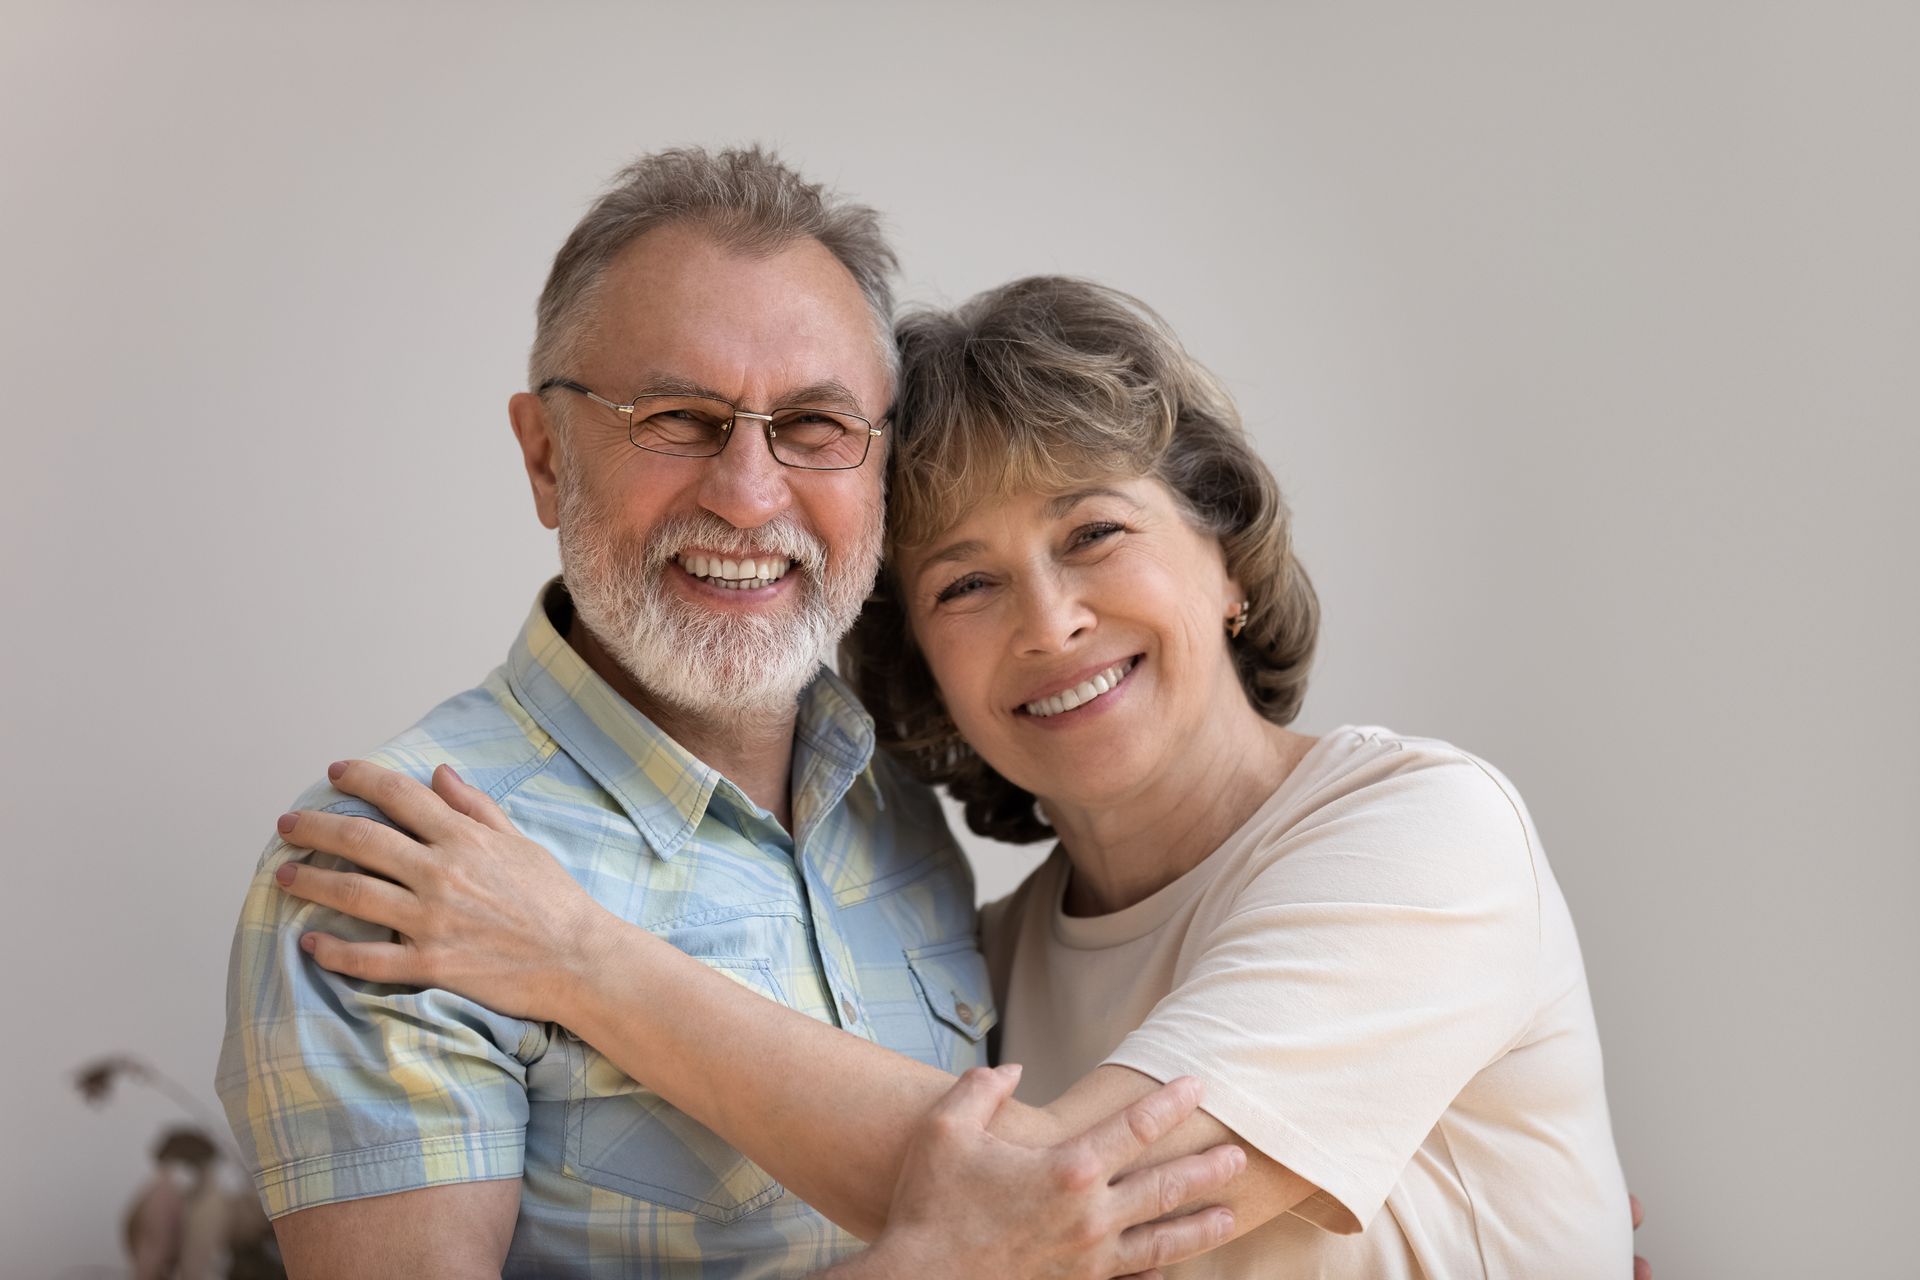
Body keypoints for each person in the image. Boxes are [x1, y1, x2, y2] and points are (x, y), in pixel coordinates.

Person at [274, 276, 1638, 1276]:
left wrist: (575, 954)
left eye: (1094, 531)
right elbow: (992, 1223)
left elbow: (1054, 1199)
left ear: (1223, 552)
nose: (1049, 623)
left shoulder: (1420, 834)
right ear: (919, 665)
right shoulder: (972, 967)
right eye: (967, 583)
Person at [216, 149, 1241, 1279]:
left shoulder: (896, 806)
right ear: (547, 454)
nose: (749, 494)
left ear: (881, 470)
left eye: (813, 424)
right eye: (677, 417)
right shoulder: (400, 864)